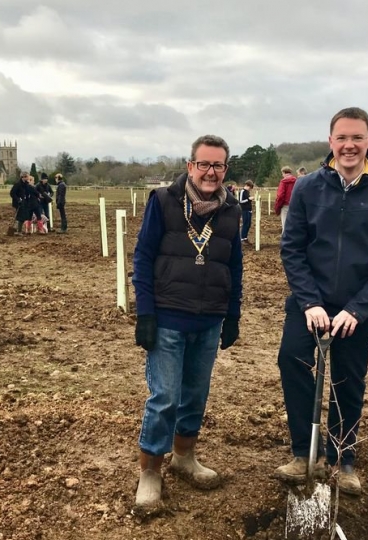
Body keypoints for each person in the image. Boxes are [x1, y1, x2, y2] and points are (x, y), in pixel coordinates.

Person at [275, 107, 368, 497]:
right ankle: (304, 452)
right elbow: (293, 249)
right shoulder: (307, 188)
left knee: (348, 380)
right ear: (330, 141)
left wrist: (359, 308)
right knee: (293, 361)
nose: (349, 145)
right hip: (309, 303)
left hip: (357, 308)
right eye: (342, 137)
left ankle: (340, 458)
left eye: (357, 138)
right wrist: (309, 302)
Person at [131, 134, 243, 510]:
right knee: (165, 398)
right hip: (167, 318)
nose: (211, 172)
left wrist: (232, 315)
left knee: (195, 394)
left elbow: (235, 266)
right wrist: (145, 313)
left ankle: (184, 457)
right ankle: (150, 471)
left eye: (218, 165)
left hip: (209, 320)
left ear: (226, 169)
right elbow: (143, 258)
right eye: (204, 164)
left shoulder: (231, 211)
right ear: (190, 166)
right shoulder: (163, 201)